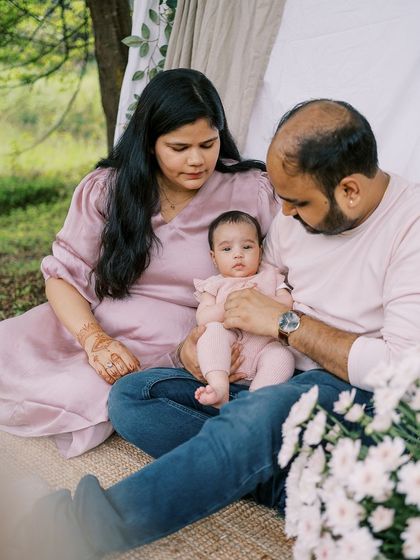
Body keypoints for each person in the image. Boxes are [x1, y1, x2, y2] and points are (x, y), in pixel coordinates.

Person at [5, 99, 420, 560]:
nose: (282, 215)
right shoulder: (295, 218)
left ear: (349, 191)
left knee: (265, 412)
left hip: (344, 387)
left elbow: (402, 372)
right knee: (134, 396)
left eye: (297, 203)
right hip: (265, 375)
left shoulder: (410, 227)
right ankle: (284, 479)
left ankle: (66, 532)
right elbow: (263, 282)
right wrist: (199, 344)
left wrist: (285, 324)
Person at [0, 69, 279, 458]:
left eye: (208, 144)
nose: (197, 160)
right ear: (149, 143)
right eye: (179, 148)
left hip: (178, 342)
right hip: (91, 325)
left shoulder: (250, 190)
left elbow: (282, 272)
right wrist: (94, 340)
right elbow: (63, 277)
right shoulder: (108, 187)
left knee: (77, 394)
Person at [194, 210, 294, 407]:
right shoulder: (215, 284)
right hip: (229, 346)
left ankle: (256, 400)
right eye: (227, 249)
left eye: (247, 247)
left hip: (265, 346)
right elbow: (203, 317)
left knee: (283, 356)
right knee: (212, 331)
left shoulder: (270, 276)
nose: (238, 254)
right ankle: (219, 388)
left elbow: (287, 303)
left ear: (260, 250)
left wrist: (263, 300)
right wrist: (228, 305)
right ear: (213, 258)